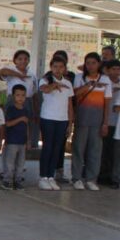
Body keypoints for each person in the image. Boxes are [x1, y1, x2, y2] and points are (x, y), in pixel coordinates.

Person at [71, 53, 112, 191]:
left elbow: (108, 103)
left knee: (95, 151)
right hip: (82, 119)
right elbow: (75, 95)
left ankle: (91, 179)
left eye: (93, 63)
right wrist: (89, 85)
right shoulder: (79, 78)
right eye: (88, 63)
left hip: (97, 120)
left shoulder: (105, 79)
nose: (90, 66)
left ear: (99, 64)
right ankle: (76, 178)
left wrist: (105, 122)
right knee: (78, 149)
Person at [38, 57, 74, 191]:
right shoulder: (46, 80)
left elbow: (70, 105)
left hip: (62, 119)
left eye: (61, 67)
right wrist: (54, 85)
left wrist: (70, 123)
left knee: (57, 148)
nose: (58, 69)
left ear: (65, 68)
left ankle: (50, 176)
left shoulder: (68, 84)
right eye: (55, 66)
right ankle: (43, 177)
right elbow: (44, 89)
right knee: (47, 147)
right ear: (51, 67)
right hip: (48, 118)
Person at [98, 59, 120, 185]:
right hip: (106, 121)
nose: (116, 72)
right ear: (107, 70)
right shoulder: (104, 83)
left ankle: (114, 177)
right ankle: (102, 175)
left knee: (116, 151)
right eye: (113, 69)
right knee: (104, 150)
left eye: (118, 69)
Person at [1, 86, 31, 190]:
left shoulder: (26, 110)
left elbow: (27, 125)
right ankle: (7, 180)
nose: (20, 98)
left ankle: (18, 180)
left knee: (20, 163)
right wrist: (20, 119)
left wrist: (28, 140)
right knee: (10, 162)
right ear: (13, 96)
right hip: (12, 140)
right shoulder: (11, 109)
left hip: (22, 141)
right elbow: (8, 124)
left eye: (23, 95)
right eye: (18, 95)